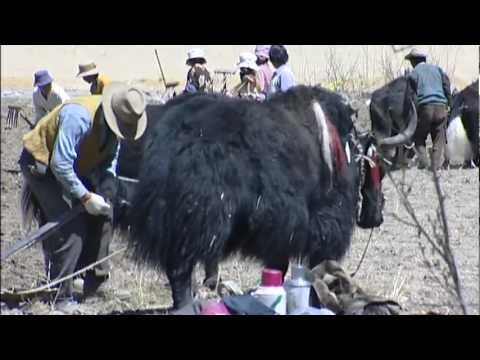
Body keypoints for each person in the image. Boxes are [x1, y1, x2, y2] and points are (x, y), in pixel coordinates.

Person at [19, 82, 148, 311]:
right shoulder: (78, 117)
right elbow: (60, 164)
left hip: (75, 165)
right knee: (70, 225)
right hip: (42, 164)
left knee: (105, 214)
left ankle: (93, 282)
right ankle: (60, 295)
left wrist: (105, 185)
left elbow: (109, 160)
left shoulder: (114, 127)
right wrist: (86, 197)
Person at [405, 49, 452, 171]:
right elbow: (446, 86)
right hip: (441, 106)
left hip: (425, 107)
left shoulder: (413, 74)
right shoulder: (438, 70)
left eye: (411, 61)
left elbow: (410, 96)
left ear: (413, 61)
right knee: (438, 137)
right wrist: (449, 103)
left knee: (419, 138)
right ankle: (435, 166)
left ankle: (424, 162)